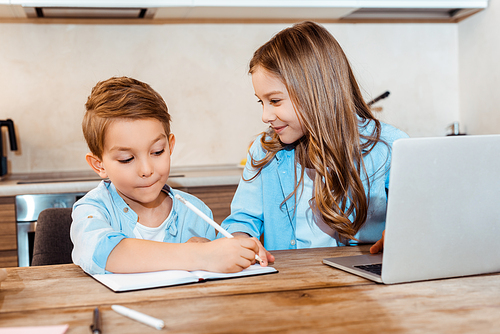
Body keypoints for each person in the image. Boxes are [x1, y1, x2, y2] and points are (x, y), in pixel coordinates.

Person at [220, 21, 408, 258]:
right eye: (262, 102)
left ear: (316, 92)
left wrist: (400, 236)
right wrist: (239, 240)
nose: (265, 116)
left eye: (275, 101)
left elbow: (421, 218)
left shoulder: (390, 147)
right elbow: (242, 221)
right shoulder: (264, 151)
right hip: (292, 282)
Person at [70, 76, 261, 275]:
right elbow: (106, 253)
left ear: (170, 147)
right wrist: (199, 254)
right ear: (99, 164)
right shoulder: (92, 210)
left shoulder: (196, 213)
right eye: (127, 159)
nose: (146, 169)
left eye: (157, 151)